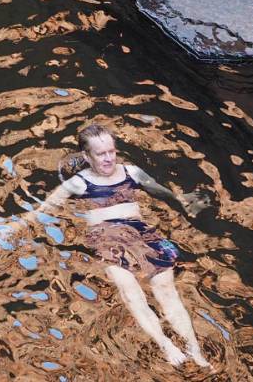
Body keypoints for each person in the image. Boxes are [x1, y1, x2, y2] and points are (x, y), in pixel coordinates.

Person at [35, 123, 212, 368]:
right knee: (131, 292)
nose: (108, 158)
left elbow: (160, 192)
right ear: (87, 156)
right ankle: (165, 344)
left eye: (111, 151)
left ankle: (195, 350)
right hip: (106, 239)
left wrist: (184, 202)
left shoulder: (132, 173)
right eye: (101, 154)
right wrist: (8, 228)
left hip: (140, 234)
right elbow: (43, 209)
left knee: (166, 290)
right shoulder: (78, 184)